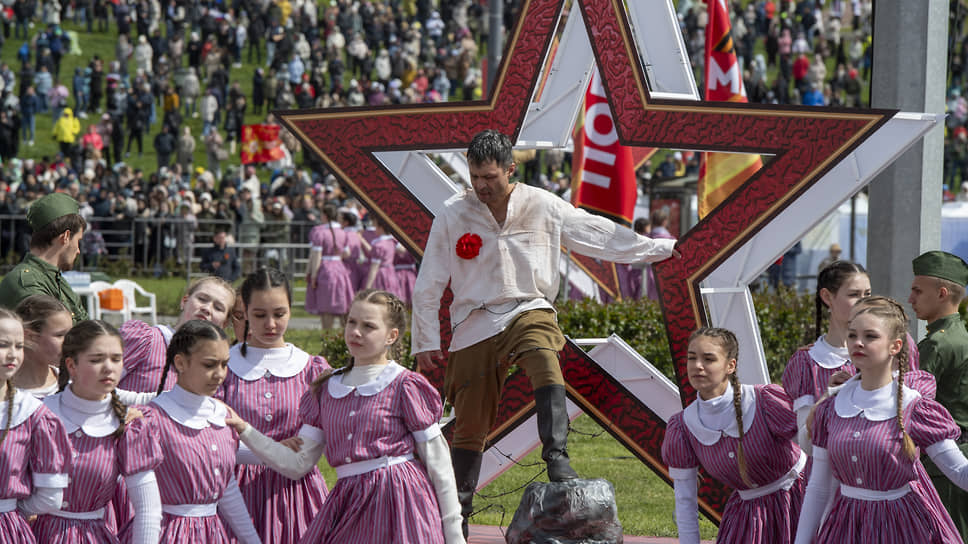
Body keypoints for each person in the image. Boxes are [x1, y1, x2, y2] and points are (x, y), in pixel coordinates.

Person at [412, 130, 678, 535]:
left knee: (542, 353)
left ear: (510, 169)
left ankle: (556, 455)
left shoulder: (542, 203)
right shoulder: (452, 212)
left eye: (490, 177)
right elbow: (429, 282)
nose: (481, 186)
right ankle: (458, 514)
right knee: (469, 423)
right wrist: (426, 341)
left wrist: (660, 248)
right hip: (473, 322)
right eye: (474, 176)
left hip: (528, 306)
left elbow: (597, 233)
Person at [225, 289, 464, 543]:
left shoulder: (405, 385)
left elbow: (438, 463)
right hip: (347, 501)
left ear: (391, 336)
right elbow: (297, 464)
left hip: (400, 500)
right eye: (352, 322)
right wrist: (245, 430)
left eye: (369, 326)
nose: (356, 332)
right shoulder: (326, 388)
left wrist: (454, 533)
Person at [794, 296, 968, 543]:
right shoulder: (831, 407)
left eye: (870, 336)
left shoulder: (914, 407)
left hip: (903, 527)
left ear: (895, 346)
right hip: (845, 527)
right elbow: (819, 487)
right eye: (853, 335)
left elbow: (960, 471)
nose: (858, 343)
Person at [214, 268, 330, 544]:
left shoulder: (312, 369)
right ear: (243, 313)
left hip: (296, 494)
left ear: (291, 309)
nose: (270, 324)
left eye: (279, 314)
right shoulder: (222, 366)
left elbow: (311, 446)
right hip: (235, 493)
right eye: (259, 315)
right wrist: (275, 449)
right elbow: (211, 439)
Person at [663, 328, 805, 544]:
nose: (697, 366)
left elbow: (816, 447)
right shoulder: (682, 427)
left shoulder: (765, 401)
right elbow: (685, 501)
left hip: (798, 502)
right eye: (692, 358)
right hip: (747, 518)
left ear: (731, 365)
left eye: (708, 359)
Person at [33, 320, 162, 544]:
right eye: (96, 360)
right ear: (71, 365)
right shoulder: (38, 415)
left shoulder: (128, 425)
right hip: (35, 535)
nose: (109, 368)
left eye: (116, 359)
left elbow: (148, 510)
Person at [137, 320, 261, 543]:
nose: (219, 374)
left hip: (213, 533)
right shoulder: (152, 420)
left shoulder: (222, 416)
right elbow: (145, 504)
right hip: (168, 534)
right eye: (209, 365)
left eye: (224, 364)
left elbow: (227, 489)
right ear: (181, 363)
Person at [909, 250, 968, 539]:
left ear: (942, 293)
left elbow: (910, 401)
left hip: (944, 464)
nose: (911, 299)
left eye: (917, 291)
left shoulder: (937, 345)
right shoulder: (961, 336)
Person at [0, 307, 73, 541]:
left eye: (19, 346)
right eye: (3, 345)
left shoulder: (32, 413)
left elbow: (51, 495)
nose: (13, 354)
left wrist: (12, 512)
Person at [782, 261, 870, 452]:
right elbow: (804, 440)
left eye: (867, 294)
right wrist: (828, 397)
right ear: (827, 297)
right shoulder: (807, 362)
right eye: (854, 295)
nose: (863, 303)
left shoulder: (886, 350)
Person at [119, 276, 235, 393]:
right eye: (202, 299)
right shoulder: (147, 339)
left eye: (218, 308)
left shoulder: (218, 367)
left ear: (224, 323)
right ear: (184, 301)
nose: (207, 308)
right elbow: (102, 386)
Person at [0, 192, 88, 322]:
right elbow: (57, 337)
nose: (79, 250)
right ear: (65, 237)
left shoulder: (56, 280)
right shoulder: (27, 283)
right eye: (78, 241)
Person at [304, 205, 354, 330]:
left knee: (326, 306)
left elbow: (316, 256)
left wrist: (313, 274)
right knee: (343, 302)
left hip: (325, 269)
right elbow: (347, 253)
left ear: (325, 215)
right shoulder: (343, 232)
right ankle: (343, 335)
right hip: (340, 268)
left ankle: (327, 336)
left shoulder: (320, 233)